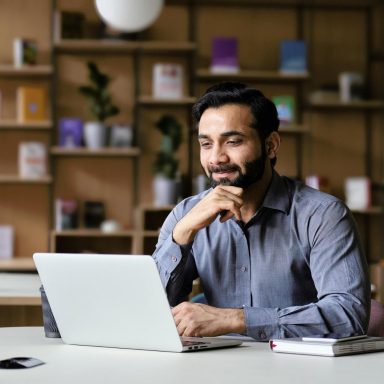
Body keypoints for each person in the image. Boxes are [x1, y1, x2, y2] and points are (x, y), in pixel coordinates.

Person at [152, 82, 370, 341]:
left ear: (271, 145)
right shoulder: (185, 214)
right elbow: (149, 311)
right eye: (206, 144)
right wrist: (182, 235)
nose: (216, 158)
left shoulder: (323, 215)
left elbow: (349, 315)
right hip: (214, 370)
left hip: (302, 370)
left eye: (233, 141)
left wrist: (236, 319)